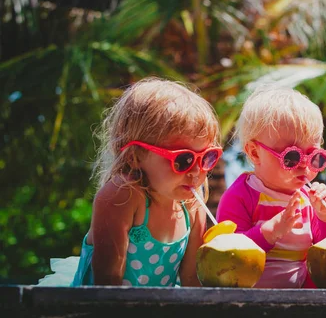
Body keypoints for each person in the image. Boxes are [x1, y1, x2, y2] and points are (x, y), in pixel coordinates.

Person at [38, 77, 222, 287]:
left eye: (207, 157)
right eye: (183, 159)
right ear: (135, 156)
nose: (197, 171)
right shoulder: (122, 195)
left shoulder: (191, 205)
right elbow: (107, 281)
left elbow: (192, 282)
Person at [216, 84, 326, 288]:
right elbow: (227, 257)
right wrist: (270, 231)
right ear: (255, 153)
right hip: (250, 301)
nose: (304, 166)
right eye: (292, 157)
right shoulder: (242, 195)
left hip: (302, 299)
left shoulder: (309, 199)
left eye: (314, 157)